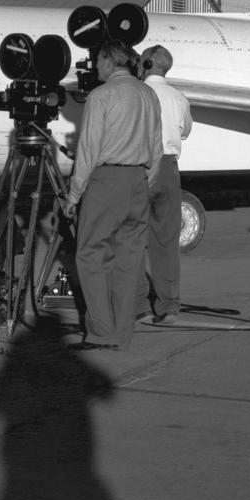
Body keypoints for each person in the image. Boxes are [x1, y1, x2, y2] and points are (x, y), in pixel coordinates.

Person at [65, 40, 163, 351]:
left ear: (109, 62)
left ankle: (101, 331)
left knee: (92, 255)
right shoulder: (149, 94)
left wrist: (74, 194)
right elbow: (158, 146)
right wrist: (146, 179)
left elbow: (88, 150)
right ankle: (123, 331)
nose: (94, 68)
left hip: (107, 179)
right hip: (138, 178)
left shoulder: (101, 95)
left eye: (97, 62)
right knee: (129, 260)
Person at [138, 44, 193, 324]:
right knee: (166, 240)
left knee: (131, 235)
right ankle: (168, 304)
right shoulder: (178, 97)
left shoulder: (137, 93)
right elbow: (185, 131)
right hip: (169, 167)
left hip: (139, 166)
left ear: (146, 64)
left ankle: (137, 303)